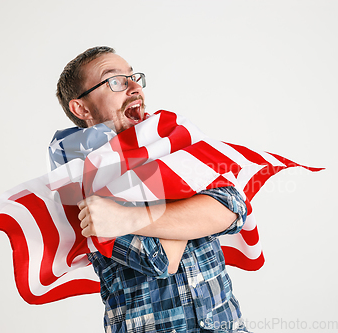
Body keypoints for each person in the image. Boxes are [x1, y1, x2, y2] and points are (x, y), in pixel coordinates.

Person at [53, 46, 250, 333]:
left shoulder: (173, 141)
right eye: (115, 81)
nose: (134, 87)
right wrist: (185, 194)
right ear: (81, 108)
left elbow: (233, 208)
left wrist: (132, 217)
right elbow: (159, 259)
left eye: (133, 77)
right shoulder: (77, 183)